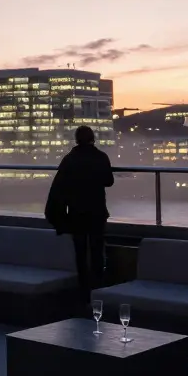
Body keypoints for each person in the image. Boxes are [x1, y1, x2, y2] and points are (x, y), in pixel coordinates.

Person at [45, 125, 113, 294]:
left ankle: (83, 290)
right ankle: (99, 288)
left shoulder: (69, 159)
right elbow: (109, 181)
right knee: (97, 250)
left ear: (76, 140)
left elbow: (59, 187)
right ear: (93, 139)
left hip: (76, 213)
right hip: (97, 212)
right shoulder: (101, 157)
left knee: (81, 253)